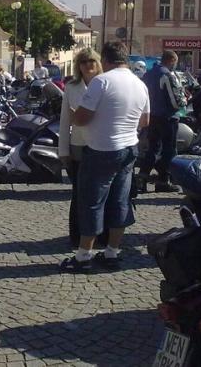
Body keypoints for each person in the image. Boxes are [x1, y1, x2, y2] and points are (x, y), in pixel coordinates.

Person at [59, 42, 149, 273]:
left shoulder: (102, 81)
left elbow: (81, 118)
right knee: (120, 200)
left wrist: (77, 114)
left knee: (91, 201)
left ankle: (83, 256)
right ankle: (112, 252)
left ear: (106, 61)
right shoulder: (139, 84)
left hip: (102, 148)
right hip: (129, 147)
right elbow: (145, 121)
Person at [58, 48, 102, 246]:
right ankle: (77, 235)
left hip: (101, 146)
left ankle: (99, 234)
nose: (88, 65)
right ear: (78, 66)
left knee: (100, 193)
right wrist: (63, 151)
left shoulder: (105, 84)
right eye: (83, 62)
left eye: (91, 61)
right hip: (78, 145)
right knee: (79, 193)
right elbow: (64, 121)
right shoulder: (71, 87)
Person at [139, 50, 187, 192]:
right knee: (169, 149)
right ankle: (163, 180)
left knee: (153, 148)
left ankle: (142, 177)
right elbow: (175, 100)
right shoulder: (166, 75)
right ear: (172, 60)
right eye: (175, 62)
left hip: (152, 115)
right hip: (167, 117)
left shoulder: (148, 74)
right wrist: (183, 102)